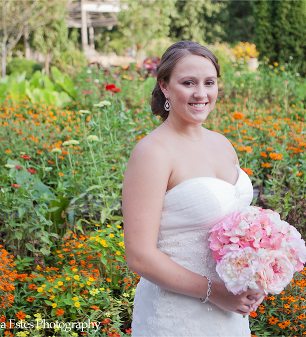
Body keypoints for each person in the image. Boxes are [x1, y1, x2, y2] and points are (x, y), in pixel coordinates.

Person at [122, 41, 264, 336]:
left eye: (209, 82)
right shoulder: (152, 153)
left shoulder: (223, 143)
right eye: (188, 83)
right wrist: (215, 291)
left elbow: (239, 228)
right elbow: (139, 255)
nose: (201, 93)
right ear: (164, 86)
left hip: (230, 313)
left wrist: (256, 277)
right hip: (177, 315)